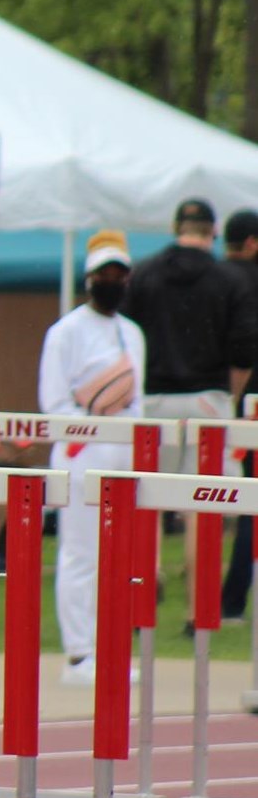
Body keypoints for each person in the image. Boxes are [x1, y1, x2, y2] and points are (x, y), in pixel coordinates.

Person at [121, 198, 258, 626]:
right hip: (208, 397)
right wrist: (230, 399)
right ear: (211, 233)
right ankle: (198, 606)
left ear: (175, 227)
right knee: (205, 505)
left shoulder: (143, 274)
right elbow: (243, 350)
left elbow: (125, 338)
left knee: (149, 496)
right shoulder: (228, 279)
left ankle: (152, 571)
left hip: (154, 397)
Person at [40, 233, 146, 685]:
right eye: (104, 274)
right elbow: (53, 403)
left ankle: (110, 647)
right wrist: (93, 418)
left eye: (119, 274)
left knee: (118, 558)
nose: (112, 281)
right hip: (81, 456)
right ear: (89, 279)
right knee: (80, 554)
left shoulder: (133, 333)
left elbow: (139, 404)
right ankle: (80, 653)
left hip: (123, 457)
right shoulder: (64, 332)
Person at [221, 208, 258, 621]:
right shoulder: (247, 283)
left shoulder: (214, 279)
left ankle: (230, 600)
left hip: (217, 403)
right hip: (244, 405)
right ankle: (231, 600)